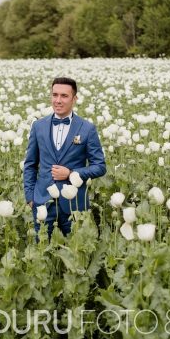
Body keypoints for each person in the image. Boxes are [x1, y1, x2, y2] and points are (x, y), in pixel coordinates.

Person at [23, 77, 106, 239]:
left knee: (76, 249)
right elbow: (30, 165)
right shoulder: (38, 126)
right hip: (43, 203)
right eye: (55, 95)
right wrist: (30, 198)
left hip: (74, 204)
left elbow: (100, 166)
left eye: (64, 96)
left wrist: (71, 173)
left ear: (74, 99)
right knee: (41, 249)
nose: (58, 100)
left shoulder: (87, 128)